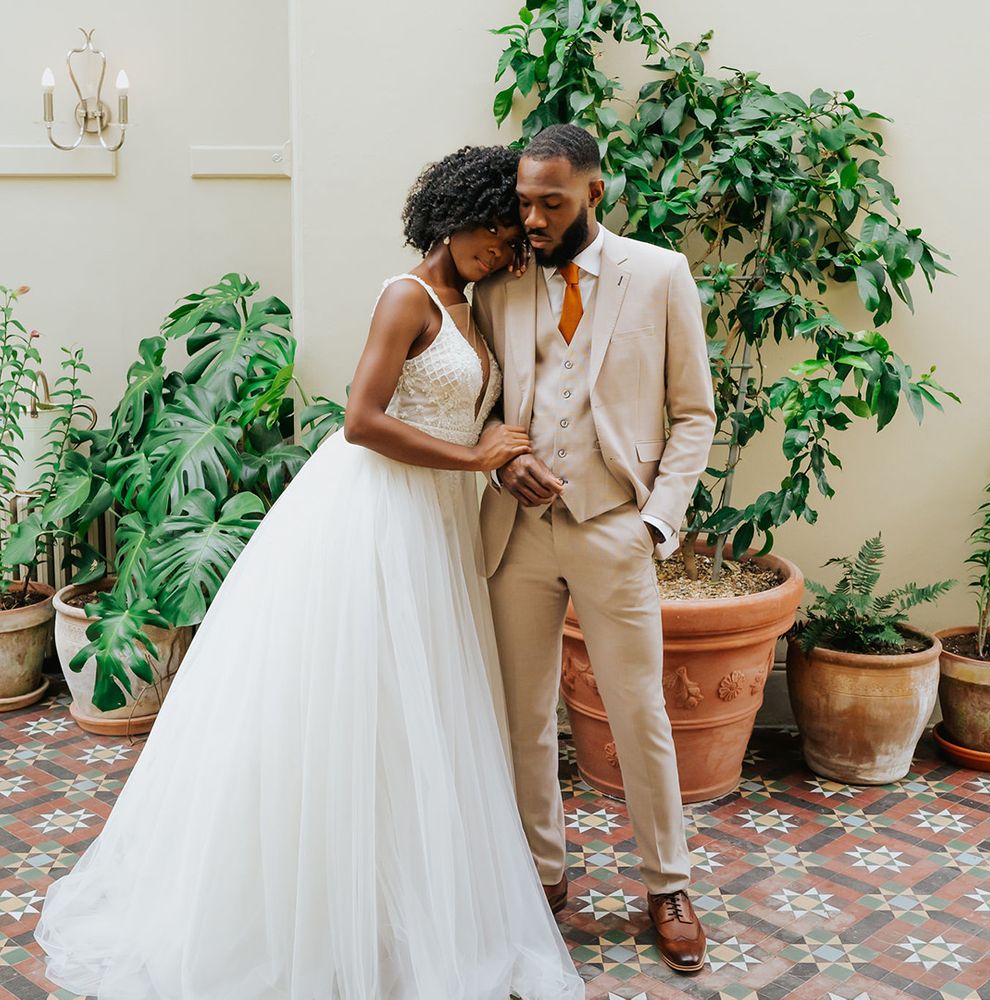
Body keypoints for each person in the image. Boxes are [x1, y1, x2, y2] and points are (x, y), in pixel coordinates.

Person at [35, 144, 585, 1000]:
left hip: (437, 528)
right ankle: (313, 915)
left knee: (418, 713)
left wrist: (491, 458)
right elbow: (363, 422)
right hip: (375, 516)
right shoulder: (406, 298)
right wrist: (475, 456)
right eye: (500, 234)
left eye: (517, 239)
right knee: (346, 703)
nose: (510, 250)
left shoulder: (472, 305)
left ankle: (402, 908)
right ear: (456, 219)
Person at [473, 124, 716, 974]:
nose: (533, 219)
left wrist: (657, 521)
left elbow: (695, 413)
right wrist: (507, 464)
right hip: (519, 532)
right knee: (524, 717)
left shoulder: (657, 274)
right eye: (525, 203)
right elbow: (482, 401)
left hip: (617, 524)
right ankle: (543, 876)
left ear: (593, 194)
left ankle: (667, 883)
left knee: (637, 711)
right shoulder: (498, 287)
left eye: (552, 203)